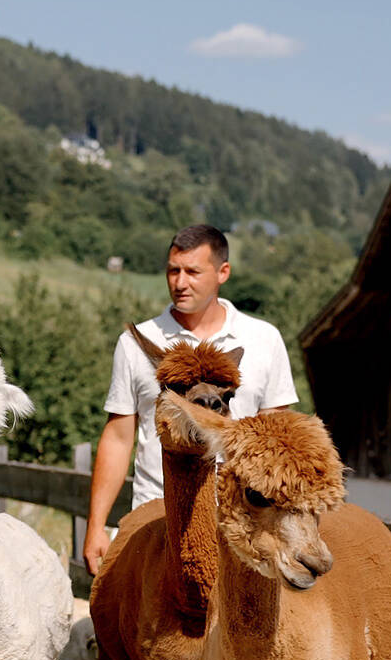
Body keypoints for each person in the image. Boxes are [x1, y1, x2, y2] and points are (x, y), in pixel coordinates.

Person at [81, 224, 300, 574]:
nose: (180, 282)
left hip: (239, 521)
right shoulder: (138, 342)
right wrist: (96, 527)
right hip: (156, 516)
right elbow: (119, 437)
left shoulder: (263, 340)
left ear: (222, 272)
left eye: (193, 271)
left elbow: (277, 440)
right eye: (173, 270)